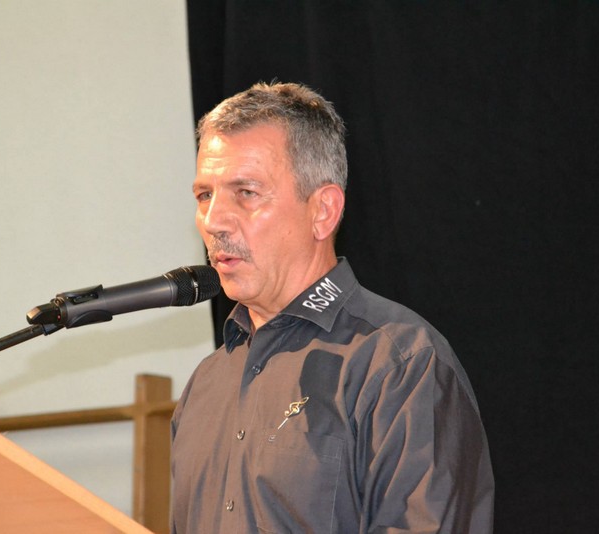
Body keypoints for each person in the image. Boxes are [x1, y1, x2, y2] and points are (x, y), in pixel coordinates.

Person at [171, 82, 494, 533]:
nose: (213, 221)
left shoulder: (401, 366)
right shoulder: (206, 384)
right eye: (205, 195)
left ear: (323, 211)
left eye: (245, 192)